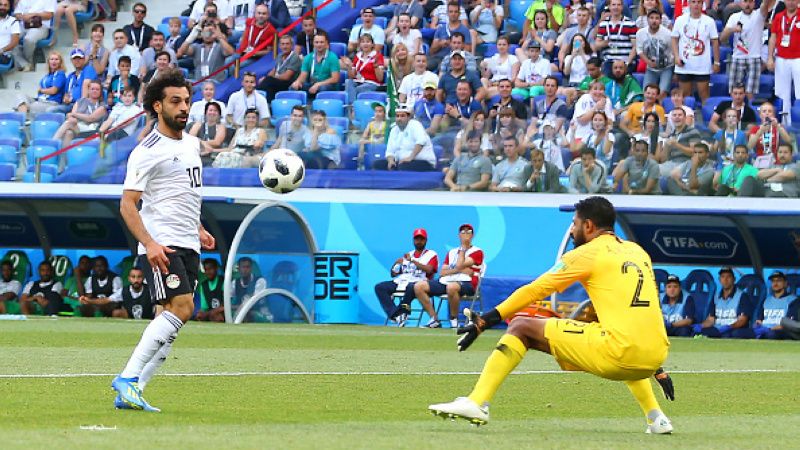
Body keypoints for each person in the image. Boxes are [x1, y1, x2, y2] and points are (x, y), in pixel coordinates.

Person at [429, 197, 673, 434]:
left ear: (588, 226)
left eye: (575, 224)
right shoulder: (637, 252)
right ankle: (656, 417)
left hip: (622, 354)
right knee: (609, 333)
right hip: (655, 354)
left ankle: (477, 402)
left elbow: (536, 289)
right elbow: (642, 310)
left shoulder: (587, 253)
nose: (573, 230)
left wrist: (487, 319)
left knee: (522, 326)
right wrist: (657, 367)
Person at [115, 69, 216, 411]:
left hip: (188, 241)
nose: (184, 107)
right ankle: (127, 378)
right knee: (184, 308)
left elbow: (182, 193)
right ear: (157, 106)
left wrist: (199, 227)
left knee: (168, 320)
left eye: (187, 101)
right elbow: (128, 205)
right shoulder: (147, 151)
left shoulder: (190, 144)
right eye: (176, 101)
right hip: (162, 244)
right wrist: (151, 244)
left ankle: (135, 391)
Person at [412, 223, 484, 328]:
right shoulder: (452, 252)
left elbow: (460, 264)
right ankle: (434, 319)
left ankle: (453, 319)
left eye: (468, 231)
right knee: (419, 286)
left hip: (468, 282)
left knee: (452, 287)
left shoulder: (477, 252)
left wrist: (464, 248)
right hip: (447, 280)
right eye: (462, 231)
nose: (465, 234)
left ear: (472, 235)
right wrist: (460, 270)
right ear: (459, 235)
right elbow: (443, 272)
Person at [379, 228, 439, 324]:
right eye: (417, 239)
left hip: (420, 282)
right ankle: (395, 314)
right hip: (402, 281)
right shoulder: (408, 254)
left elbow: (429, 270)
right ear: (413, 240)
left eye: (421, 239)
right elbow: (393, 274)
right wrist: (396, 264)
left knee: (411, 286)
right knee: (380, 287)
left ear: (425, 240)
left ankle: (403, 312)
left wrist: (413, 261)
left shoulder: (431, 254)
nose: (419, 241)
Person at [671, 0, 720, 103]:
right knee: (685, 97)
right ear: (689, 4)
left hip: (702, 65)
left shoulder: (709, 21)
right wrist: (676, 56)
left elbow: (715, 42)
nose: (696, 4)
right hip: (684, 65)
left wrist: (716, 62)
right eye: (693, 2)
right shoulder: (680, 20)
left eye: (699, 2)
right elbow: (674, 39)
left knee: (704, 96)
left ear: (702, 4)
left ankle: (706, 118)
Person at [721, 0, 772, 99]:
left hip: (754, 57)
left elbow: (765, 4)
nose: (748, 4)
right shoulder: (734, 17)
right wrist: (732, 30)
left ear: (754, 3)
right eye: (745, 1)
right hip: (737, 57)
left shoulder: (759, 15)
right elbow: (722, 38)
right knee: (734, 91)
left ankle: (747, 111)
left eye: (750, 2)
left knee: (750, 92)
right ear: (740, 3)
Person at [695, 267, 755, 339]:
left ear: (734, 279)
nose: (725, 280)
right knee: (700, 332)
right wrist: (701, 326)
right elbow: (711, 319)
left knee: (733, 334)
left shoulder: (742, 296)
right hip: (717, 329)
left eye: (728, 276)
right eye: (723, 277)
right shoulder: (716, 296)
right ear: (719, 280)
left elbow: (742, 320)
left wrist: (729, 327)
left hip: (733, 329)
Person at [766, 0, 800, 125]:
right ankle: (786, 125)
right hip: (781, 59)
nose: (791, 3)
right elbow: (773, 37)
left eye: (794, 0)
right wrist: (770, 57)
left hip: (798, 59)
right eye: (789, 0)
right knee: (782, 94)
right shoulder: (779, 17)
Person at [375, 105, 436, 171]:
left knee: (403, 166)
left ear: (409, 117)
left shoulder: (415, 125)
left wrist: (410, 158)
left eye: (402, 116)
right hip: (401, 162)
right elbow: (390, 151)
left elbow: (421, 142)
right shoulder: (394, 129)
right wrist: (390, 161)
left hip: (422, 162)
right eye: (397, 116)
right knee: (378, 165)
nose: (399, 119)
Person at [53, 79, 106, 149]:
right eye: (92, 89)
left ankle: (53, 144)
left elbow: (90, 118)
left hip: (91, 130)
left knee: (69, 123)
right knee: (69, 133)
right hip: (78, 127)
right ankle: (65, 157)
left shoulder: (102, 106)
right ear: (89, 90)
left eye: (97, 89)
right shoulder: (80, 101)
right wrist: (72, 117)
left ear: (100, 92)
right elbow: (70, 116)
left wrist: (75, 115)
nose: (94, 91)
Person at [636, 10, 674, 99]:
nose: (654, 21)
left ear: (660, 21)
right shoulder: (641, 33)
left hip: (666, 67)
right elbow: (639, 50)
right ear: (647, 20)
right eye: (651, 18)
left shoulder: (668, 34)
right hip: (650, 68)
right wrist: (648, 62)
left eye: (657, 18)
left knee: (662, 93)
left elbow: (674, 51)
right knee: (647, 93)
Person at [290, 32, 341, 98]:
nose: (319, 45)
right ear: (313, 44)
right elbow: (303, 75)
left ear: (326, 44)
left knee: (322, 88)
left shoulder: (332, 57)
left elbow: (335, 79)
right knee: (293, 87)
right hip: (312, 84)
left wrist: (318, 84)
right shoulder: (308, 57)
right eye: (316, 42)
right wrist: (298, 82)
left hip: (328, 85)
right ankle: (298, 107)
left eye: (321, 42)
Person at [594, 0, 637, 75]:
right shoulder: (603, 24)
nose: (616, 7)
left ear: (622, 7)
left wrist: (627, 63)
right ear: (609, 7)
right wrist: (604, 43)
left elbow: (635, 46)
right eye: (613, 5)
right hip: (609, 62)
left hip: (624, 61)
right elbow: (597, 45)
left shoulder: (630, 23)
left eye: (618, 5)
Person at [753, 271, 799, 340]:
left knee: (771, 334)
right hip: (765, 330)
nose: (775, 283)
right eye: (773, 281)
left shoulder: (793, 300)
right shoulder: (766, 300)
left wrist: (769, 329)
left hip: (782, 331)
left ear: (785, 284)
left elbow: (789, 324)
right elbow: (759, 320)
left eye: (779, 280)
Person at [12, 0, 55, 72]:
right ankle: (24, 63)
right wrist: (23, 17)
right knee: (10, 39)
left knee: (28, 39)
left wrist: (33, 15)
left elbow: (49, 15)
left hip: (41, 26)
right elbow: (17, 14)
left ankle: (29, 62)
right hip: (23, 25)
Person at [657, 108, 701, 176]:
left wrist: (677, 145)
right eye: (674, 115)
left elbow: (695, 153)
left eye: (680, 115)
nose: (677, 117)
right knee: (652, 169)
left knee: (654, 172)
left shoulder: (693, 132)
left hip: (687, 163)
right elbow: (663, 160)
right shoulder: (671, 135)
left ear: (685, 118)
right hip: (671, 163)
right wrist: (666, 146)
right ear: (671, 118)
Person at [257, 35, 301, 102]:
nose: (285, 46)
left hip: (288, 83)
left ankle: (259, 100)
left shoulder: (294, 57)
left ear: (292, 45)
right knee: (265, 81)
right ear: (280, 46)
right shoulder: (280, 56)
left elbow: (286, 77)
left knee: (269, 81)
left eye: (287, 44)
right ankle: (266, 103)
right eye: (282, 44)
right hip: (277, 81)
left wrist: (271, 78)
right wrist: (265, 78)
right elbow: (274, 70)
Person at [429, 3, 473, 70]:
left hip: (456, 59)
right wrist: (440, 44)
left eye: (455, 12)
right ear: (447, 13)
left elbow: (467, 50)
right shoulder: (441, 29)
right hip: (439, 58)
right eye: (451, 11)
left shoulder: (465, 30)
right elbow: (431, 51)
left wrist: (455, 45)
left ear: (459, 14)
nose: (453, 14)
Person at [344, 34, 385, 104]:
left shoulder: (377, 56)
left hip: (372, 83)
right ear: (360, 45)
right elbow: (352, 76)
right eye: (363, 42)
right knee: (348, 82)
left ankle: (353, 108)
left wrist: (376, 67)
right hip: (358, 81)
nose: (365, 44)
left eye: (368, 41)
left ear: (372, 44)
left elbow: (380, 78)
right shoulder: (357, 56)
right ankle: (352, 106)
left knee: (357, 89)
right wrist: (349, 66)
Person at [235, 4, 275, 70]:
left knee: (235, 66)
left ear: (268, 16)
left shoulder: (272, 31)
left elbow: (269, 51)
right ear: (255, 14)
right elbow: (245, 34)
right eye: (259, 13)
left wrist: (254, 53)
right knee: (227, 61)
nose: (261, 16)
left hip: (255, 57)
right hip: (243, 52)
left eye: (264, 14)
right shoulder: (249, 21)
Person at [189, 102, 226, 166]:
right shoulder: (198, 124)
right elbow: (190, 138)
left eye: (215, 111)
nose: (212, 113)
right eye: (210, 110)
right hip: (197, 153)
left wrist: (200, 142)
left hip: (213, 156)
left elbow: (217, 142)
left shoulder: (221, 127)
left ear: (219, 114)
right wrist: (204, 145)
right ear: (206, 112)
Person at [357, 103, 387, 167]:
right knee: (361, 141)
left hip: (382, 142)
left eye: (380, 111)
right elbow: (364, 136)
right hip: (371, 141)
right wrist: (363, 140)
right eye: (376, 111)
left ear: (384, 113)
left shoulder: (386, 124)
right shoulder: (371, 124)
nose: (377, 114)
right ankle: (360, 161)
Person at [195, 258, 225, 322]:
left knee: (217, 316)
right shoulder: (203, 285)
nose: (208, 272)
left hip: (223, 313)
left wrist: (211, 312)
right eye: (206, 270)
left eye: (210, 269)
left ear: (216, 269)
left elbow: (226, 305)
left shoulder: (223, 282)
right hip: (211, 313)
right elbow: (204, 307)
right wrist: (200, 313)